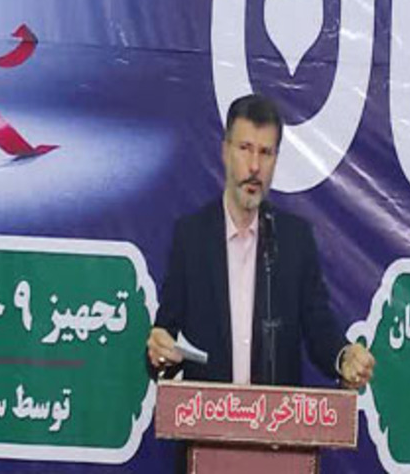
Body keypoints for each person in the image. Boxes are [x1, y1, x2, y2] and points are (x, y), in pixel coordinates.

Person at [146, 93, 375, 389]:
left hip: (276, 417)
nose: (254, 166)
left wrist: (344, 357)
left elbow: (318, 327)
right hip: (208, 415)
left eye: (265, 153)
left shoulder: (295, 239)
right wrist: (160, 351)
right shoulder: (191, 237)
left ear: (275, 160)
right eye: (245, 149)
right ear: (225, 151)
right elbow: (165, 335)